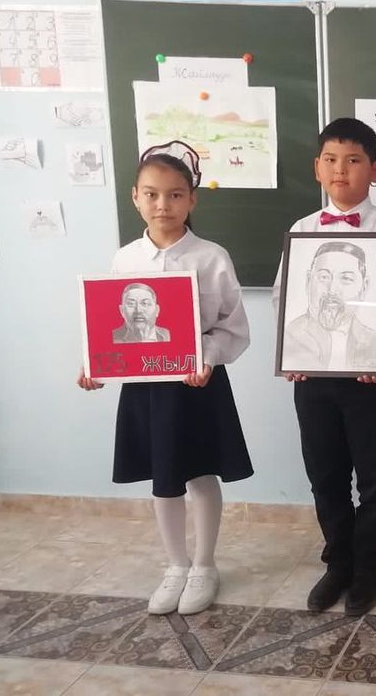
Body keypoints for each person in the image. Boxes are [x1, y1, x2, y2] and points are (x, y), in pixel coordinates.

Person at [77, 143, 253, 616]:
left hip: (198, 386)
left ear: (192, 199)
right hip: (147, 389)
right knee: (163, 477)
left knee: (201, 472)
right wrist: (94, 365)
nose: (163, 205)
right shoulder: (124, 259)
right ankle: (176, 565)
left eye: (175, 195)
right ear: (135, 197)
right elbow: (109, 326)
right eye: (152, 194)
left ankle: (204, 565)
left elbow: (234, 328)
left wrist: (206, 357)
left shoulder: (212, 258)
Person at [273, 117, 376, 616]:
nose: (342, 169)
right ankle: (337, 563)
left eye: (354, 160)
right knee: (325, 474)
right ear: (317, 168)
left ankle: (369, 568)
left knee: (375, 477)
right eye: (332, 159)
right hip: (313, 378)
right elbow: (283, 297)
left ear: (375, 170)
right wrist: (291, 350)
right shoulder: (301, 231)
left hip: (373, 377)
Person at [281, 241, 376, 372]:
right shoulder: (290, 336)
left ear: (364, 287)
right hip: (309, 382)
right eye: (324, 277)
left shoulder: (375, 341)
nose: (332, 290)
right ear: (308, 281)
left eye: (346, 279)